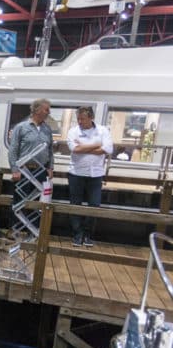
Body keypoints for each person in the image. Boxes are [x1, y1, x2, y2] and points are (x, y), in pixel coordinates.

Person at [67, 106, 113, 247]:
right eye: (78, 119)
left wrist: (84, 147)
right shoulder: (73, 131)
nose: (80, 121)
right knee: (75, 205)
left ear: (91, 118)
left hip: (96, 174)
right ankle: (77, 234)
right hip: (76, 174)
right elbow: (74, 149)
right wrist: (97, 144)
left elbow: (108, 149)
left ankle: (87, 234)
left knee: (94, 205)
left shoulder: (103, 130)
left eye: (83, 119)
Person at [8, 98, 54, 230]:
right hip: (24, 171)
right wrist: (15, 169)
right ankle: (15, 230)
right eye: (46, 109)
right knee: (19, 201)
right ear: (37, 110)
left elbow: (50, 150)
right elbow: (13, 150)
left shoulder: (47, 129)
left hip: (41, 172)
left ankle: (33, 231)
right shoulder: (21, 127)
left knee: (38, 202)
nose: (49, 112)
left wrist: (50, 167)